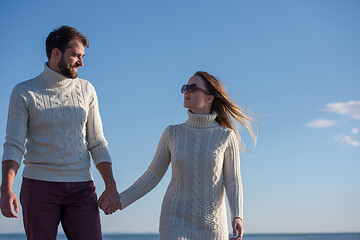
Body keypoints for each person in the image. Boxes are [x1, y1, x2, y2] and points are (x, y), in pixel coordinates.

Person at [100, 71, 256, 240]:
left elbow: (233, 180)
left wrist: (237, 216)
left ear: (210, 97)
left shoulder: (225, 135)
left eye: (192, 88)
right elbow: (152, 176)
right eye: (185, 88)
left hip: (213, 226)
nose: (186, 91)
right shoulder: (172, 133)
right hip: (174, 221)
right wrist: (121, 200)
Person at [0, 25, 120, 240]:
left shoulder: (87, 89)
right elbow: (14, 144)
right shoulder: (23, 92)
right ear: (56, 53)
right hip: (39, 188)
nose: (81, 62)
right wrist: (6, 189)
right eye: (75, 55)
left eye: (82, 56)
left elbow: (97, 142)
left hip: (82, 187)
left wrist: (111, 187)